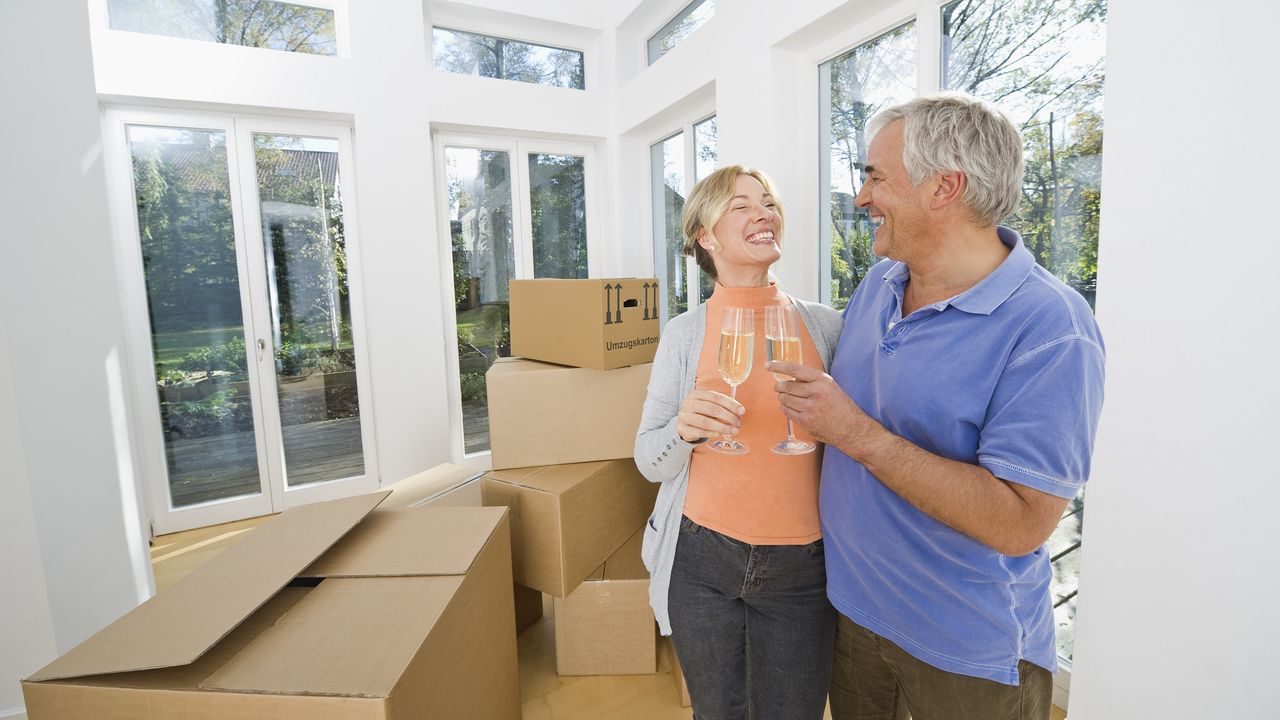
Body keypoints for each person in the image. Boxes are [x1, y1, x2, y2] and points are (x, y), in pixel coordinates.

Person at [769, 93, 1105, 720]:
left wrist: (856, 434)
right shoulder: (880, 283)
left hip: (965, 654)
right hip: (856, 616)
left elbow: (1020, 522)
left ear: (944, 187)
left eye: (876, 176)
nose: (862, 196)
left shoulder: (1052, 327)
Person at [635, 164, 844, 719]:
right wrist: (684, 431)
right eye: (741, 205)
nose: (764, 213)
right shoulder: (683, 336)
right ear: (705, 234)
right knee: (717, 712)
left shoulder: (825, 327)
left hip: (803, 566)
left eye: (769, 201)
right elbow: (649, 461)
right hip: (701, 557)